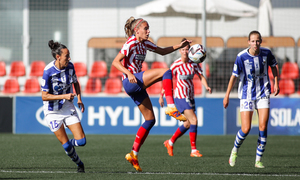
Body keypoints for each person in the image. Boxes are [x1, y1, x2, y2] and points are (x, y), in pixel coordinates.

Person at [112, 16, 191, 172]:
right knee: (166, 72)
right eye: (146, 28)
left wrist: (179, 46)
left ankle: (133, 154)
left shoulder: (145, 43)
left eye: (148, 28)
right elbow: (115, 61)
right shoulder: (131, 43)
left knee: (150, 120)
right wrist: (128, 73)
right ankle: (170, 106)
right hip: (131, 81)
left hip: (137, 84)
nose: (148, 31)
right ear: (137, 30)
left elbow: (161, 51)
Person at [223, 31, 279, 168]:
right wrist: (227, 95)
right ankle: (235, 150)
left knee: (263, 126)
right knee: (246, 128)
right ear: (248, 42)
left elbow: (274, 66)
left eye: (258, 41)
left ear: (261, 41)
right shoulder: (241, 57)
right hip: (247, 95)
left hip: (263, 93)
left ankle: (258, 160)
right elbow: (234, 77)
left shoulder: (267, 53)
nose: (255, 44)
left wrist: (276, 83)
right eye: (253, 41)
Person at [159, 39, 212, 158]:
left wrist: (207, 86)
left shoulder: (194, 63)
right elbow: (166, 80)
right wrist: (161, 95)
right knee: (194, 120)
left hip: (190, 96)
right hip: (180, 97)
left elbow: (201, 76)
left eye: (187, 49)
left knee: (188, 124)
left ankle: (170, 142)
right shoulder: (176, 64)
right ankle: (194, 150)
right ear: (179, 51)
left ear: (190, 51)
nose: (185, 51)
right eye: (182, 49)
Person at [41, 40, 86, 173]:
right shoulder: (48, 71)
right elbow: (44, 96)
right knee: (66, 146)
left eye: (69, 55)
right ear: (58, 57)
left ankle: (67, 145)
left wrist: (79, 98)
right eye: (67, 56)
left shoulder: (70, 67)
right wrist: (64, 96)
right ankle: (79, 164)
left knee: (82, 141)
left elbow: (76, 82)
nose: (69, 58)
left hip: (67, 106)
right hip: (52, 110)